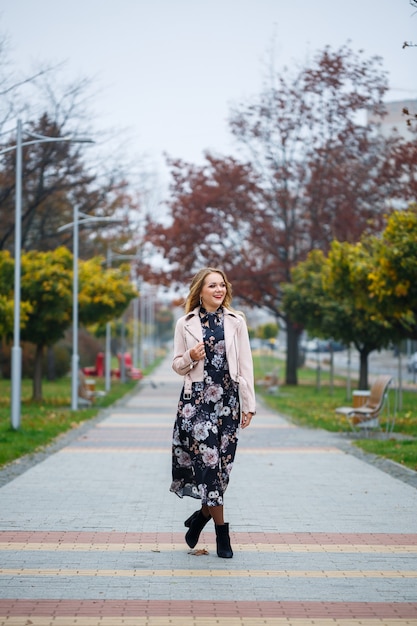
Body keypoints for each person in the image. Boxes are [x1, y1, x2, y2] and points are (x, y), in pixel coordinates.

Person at [170, 267, 256, 558]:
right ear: (200, 291)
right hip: (197, 405)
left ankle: (199, 519)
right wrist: (189, 357)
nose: (219, 290)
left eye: (222, 285)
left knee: (221, 472)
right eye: (212, 286)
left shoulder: (236, 322)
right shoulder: (185, 323)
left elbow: (246, 365)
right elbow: (177, 366)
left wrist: (249, 404)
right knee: (209, 469)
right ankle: (223, 536)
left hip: (228, 404)